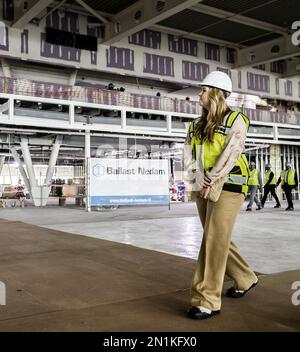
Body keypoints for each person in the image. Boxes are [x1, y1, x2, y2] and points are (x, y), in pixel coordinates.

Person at [183, 71, 258, 321]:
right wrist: (197, 176)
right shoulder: (195, 124)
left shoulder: (237, 120)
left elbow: (231, 153)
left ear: (216, 94)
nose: (199, 94)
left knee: (214, 239)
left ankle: (207, 299)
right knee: (216, 237)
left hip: (229, 185)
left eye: (203, 90)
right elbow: (188, 155)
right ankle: (246, 277)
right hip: (203, 182)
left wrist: (211, 179)